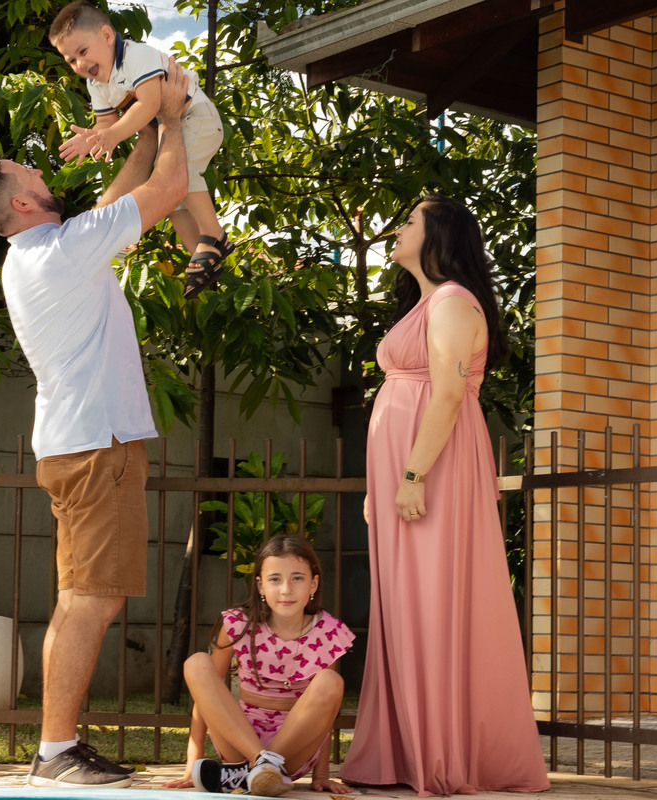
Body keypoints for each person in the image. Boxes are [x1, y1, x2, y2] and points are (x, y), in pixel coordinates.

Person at [0, 59, 191, 789]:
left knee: (78, 598)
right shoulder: (59, 254)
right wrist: (178, 115)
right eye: (30, 170)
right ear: (22, 204)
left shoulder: (43, 254)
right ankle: (57, 752)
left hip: (75, 445)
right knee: (95, 599)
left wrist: (140, 125)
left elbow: (132, 188)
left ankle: (58, 746)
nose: (40, 168)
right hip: (98, 449)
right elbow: (170, 191)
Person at [338, 195, 550, 796]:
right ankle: (407, 750)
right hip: (409, 468)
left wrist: (412, 476)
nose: (396, 227)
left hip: (433, 467)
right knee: (405, 604)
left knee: (431, 597)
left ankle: (440, 752)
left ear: (439, 235)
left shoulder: (454, 301)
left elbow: (450, 394)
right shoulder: (428, 303)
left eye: (408, 220)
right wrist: (386, 482)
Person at [48, 0, 233, 299]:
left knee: (183, 175)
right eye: (71, 60)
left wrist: (113, 135)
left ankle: (215, 236)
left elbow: (150, 104)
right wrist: (94, 137)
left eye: (82, 52)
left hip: (197, 119)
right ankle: (200, 257)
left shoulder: (136, 56)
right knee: (172, 196)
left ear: (107, 37)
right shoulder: (97, 85)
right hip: (172, 131)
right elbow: (106, 121)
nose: (79, 64)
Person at [164, 535, 354, 796]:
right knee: (197, 663)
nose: (286, 589)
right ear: (260, 585)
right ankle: (259, 765)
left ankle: (256, 770)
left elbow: (326, 710)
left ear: (314, 583)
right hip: (239, 742)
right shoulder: (239, 624)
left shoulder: (327, 631)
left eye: (297, 578)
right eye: (275, 579)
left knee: (331, 682)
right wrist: (192, 760)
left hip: (293, 750)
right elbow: (205, 695)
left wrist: (320, 775)